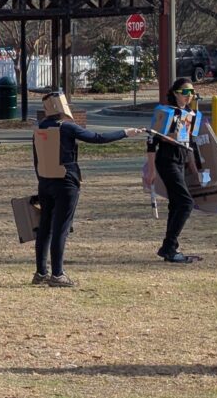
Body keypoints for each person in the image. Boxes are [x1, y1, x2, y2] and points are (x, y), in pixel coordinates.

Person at [32, 91, 143, 287]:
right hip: (65, 181)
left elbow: (36, 159)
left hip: (45, 182)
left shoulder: (40, 128)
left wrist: (41, 180)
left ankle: (41, 272)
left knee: (45, 228)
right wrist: (124, 132)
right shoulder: (67, 128)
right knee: (61, 228)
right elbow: (97, 137)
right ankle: (57, 274)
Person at [144, 78, 202, 264]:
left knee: (176, 205)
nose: (190, 96)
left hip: (181, 161)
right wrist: (150, 171)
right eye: (185, 92)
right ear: (176, 93)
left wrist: (193, 167)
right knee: (186, 203)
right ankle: (168, 247)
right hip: (167, 161)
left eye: (192, 92)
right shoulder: (166, 113)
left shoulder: (192, 114)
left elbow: (190, 143)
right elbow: (152, 141)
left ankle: (170, 248)